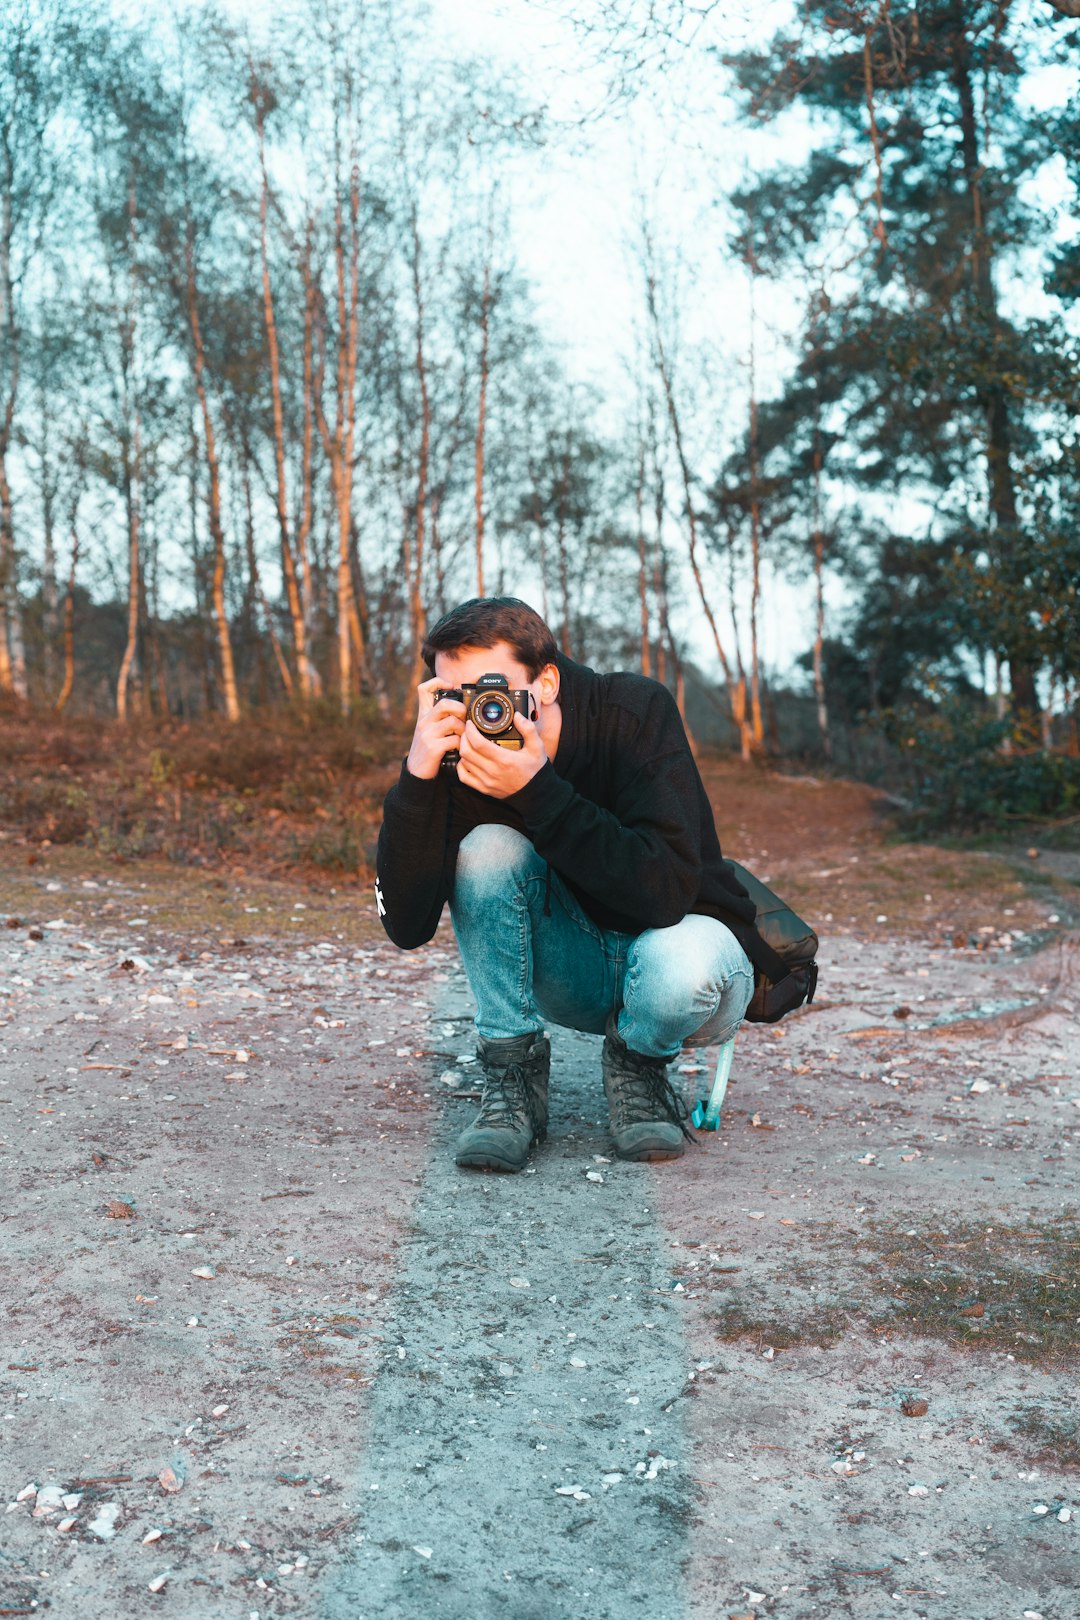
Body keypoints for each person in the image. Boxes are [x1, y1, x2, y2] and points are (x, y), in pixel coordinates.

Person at [375, 596, 757, 1173]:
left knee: (683, 957)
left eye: (492, 689)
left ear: (546, 682)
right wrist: (418, 777)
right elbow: (405, 927)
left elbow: (666, 893)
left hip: (680, 969)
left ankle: (641, 1066)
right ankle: (513, 1080)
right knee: (486, 850)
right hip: (575, 970)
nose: (480, 709)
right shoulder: (460, 759)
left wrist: (536, 789)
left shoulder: (631, 712)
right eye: (454, 695)